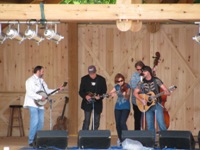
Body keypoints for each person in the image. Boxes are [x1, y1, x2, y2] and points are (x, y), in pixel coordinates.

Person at [23, 65, 63, 147]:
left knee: (41, 122)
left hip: (40, 104)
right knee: (35, 121)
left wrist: (57, 90)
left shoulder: (42, 81)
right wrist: (40, 97)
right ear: (38, 71)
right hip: (32, 103)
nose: (43, 73)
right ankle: (31, 140)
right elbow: (30, 93)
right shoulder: (29, 81)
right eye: (42, 71)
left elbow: (47, 91)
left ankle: (37, 139)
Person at [133, 65, 170, 133]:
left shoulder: (156, 80)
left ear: (148, 72)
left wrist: (168, 92)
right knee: (150, 126)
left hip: (157, 104)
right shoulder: (141, 82)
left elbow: (166, 90)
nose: (143, 73)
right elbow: (135, 93)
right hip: (147, 106)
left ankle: (166, 140)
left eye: (144, 71)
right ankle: (152, 142)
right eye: (142, 71)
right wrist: (141, 100)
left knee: (161, 123)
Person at [79, 65, 107, 130]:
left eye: (93, 73)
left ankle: (93, 136)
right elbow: (81, 91)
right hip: (87, 103)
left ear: (95, 72)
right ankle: (85, 137)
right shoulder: (84, 79)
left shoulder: (102, 80)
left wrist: (100, 97)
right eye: (90, 74)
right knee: (87, 120)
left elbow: (104, 91)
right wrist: (85, 96)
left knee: (96, 121)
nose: (92, 75)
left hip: (97, 103)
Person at [109, 73, 131, 145]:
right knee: (118, 124)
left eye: (121, 80)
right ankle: (120, 139)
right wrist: (112, 94)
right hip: (117, 107)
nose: (120, 82)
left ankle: (126, 139)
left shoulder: (127, 86)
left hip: (125, 107)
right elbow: (110, 93)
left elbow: (127, 97)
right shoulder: (117, 87)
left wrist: (123, 94)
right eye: (118, 81)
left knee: (122, 122)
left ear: (123, 80)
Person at [130, 60, 145, 130]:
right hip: (136, 100)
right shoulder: (134, 76)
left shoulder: (147, 74)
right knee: (137, 118)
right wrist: (141, 82)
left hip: (146, 99)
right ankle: (137, 135)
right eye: (137, 69)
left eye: (140, 69)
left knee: (146, 118)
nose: (139, 71)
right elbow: (133, 86)